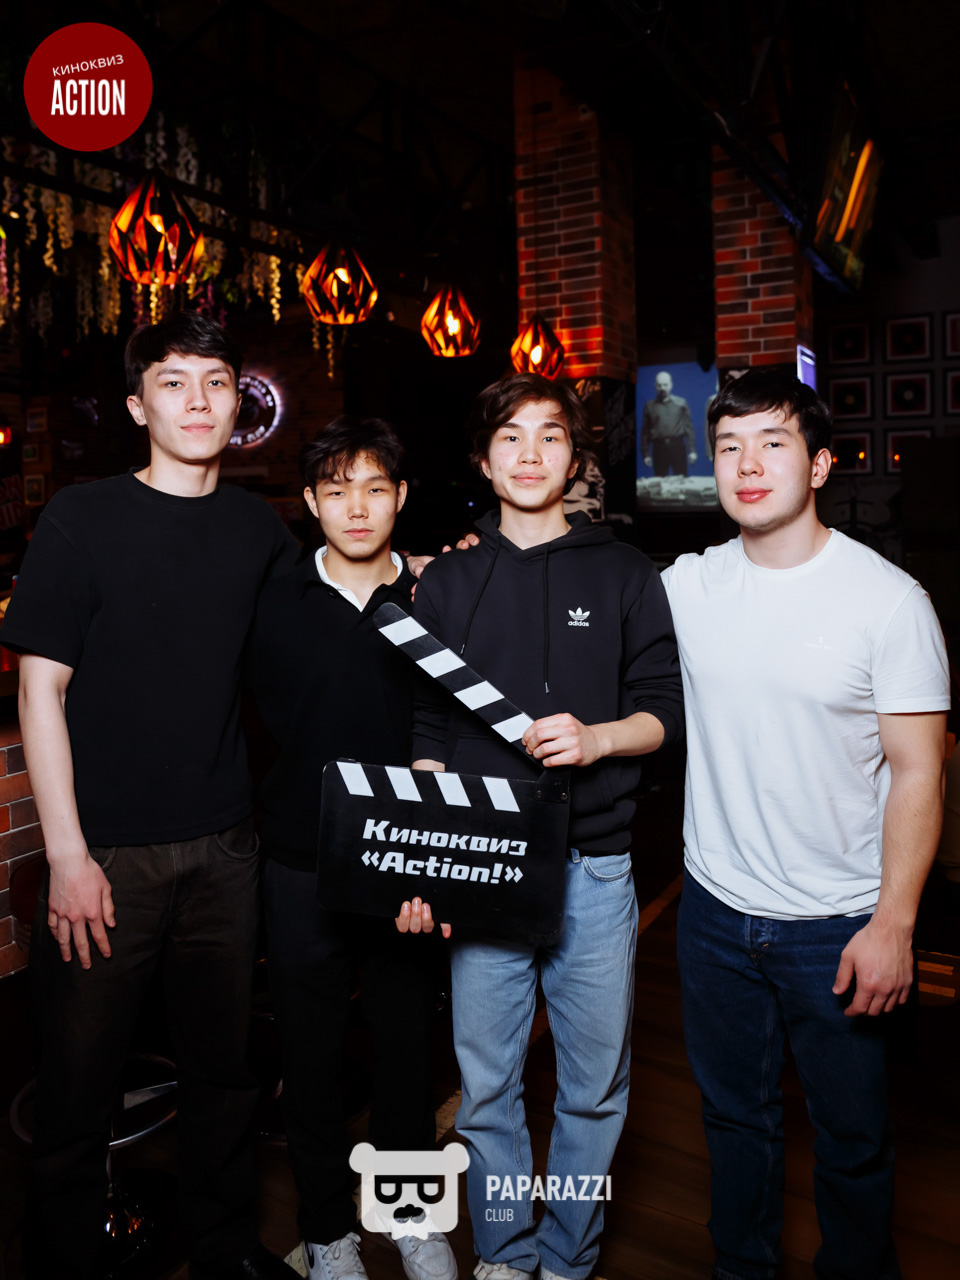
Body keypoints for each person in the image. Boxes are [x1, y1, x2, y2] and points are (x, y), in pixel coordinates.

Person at [2, 312, 300, 1280]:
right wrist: (68, 855)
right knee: (78, 1082)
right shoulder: (82, 517)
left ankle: (224, 1248)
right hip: (106, 854)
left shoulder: (256, 528)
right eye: (174, 382)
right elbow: (39, 691)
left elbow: (325, 625)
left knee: (224, 1071)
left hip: (225, 847)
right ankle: (65, 1261)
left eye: (217, 382)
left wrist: (429, 569)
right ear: (138, 406)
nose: (199, 401)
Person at [662, 368, 949, 1280]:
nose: (747, 465)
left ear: (820, 465)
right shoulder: (687, 585)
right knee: (732, 1121)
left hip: (838, 923)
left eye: (773, 443)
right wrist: (454, 563)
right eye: (729, 447)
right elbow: (568, 602)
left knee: (853, 1139)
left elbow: (919, 772)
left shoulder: (889, 602)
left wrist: (894, 924)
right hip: (714, 914)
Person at [397, 372, 684, 1280]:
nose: (530, 454)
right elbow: (430, 728)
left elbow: (664, 711)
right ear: (484, 462)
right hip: (484, 866)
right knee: (487, 1088)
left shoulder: (625, 571)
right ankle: (504, 1250)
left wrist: (598, 738)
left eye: (550, 436)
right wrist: (433, 848)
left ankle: (567, 1254)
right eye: (510, 437)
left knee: (593, 1089)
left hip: (594, 865)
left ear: (574, 458)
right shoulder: (448, 580)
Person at [244, 418, 456, 1280]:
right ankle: (328, 1232)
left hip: (406, 863)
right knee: (311, 1055)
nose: (357, 507)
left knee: (407, 1048)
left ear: (401, 497)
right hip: (300, 860)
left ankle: (411, 1219)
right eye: (337, 491)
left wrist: (436, 859)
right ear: (311, 502)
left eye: (375, 488)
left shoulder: (439, 598)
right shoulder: (274, 600)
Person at [640, 370, 696, 476]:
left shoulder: (681, 403)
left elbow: (689, 428)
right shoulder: (649, 406)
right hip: (659, 448)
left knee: (681, 480)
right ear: (655, 386)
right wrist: (646, 454)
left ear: (671, 385)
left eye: (665, 385)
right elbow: (645, 433)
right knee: (659, 481)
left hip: (677, 446)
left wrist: (692, 451)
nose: (662, 388)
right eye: (659, 385)